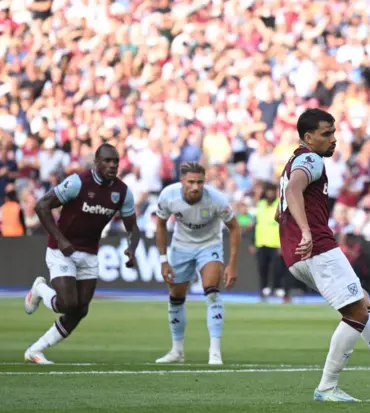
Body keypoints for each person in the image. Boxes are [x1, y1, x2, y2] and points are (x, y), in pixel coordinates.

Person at [277, 108, 370, 402]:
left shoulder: (295, 160)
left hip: (299, 253)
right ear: (308, 138)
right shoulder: (310, 159)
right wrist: (305, 231)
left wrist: (296, 231)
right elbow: (293, 190)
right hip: (316, 246)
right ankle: (327, 387)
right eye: (326, 134)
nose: (333, 139)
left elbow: (286, 203)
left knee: (363, 303)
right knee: (357, 312)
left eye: (334, 132)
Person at [23, 143, 140, 364]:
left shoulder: (122, 192)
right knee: (68, 303)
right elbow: (42, 206)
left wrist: (132, 249)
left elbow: (132, 228)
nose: (112, 165)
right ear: (96, 162)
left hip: (89, 253)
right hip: (61, 249)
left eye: (115, 161)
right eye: (107, 161)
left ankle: (35, 350)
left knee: (80, 309)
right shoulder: (77, 183)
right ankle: (39, 289)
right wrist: (60, 239)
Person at [154, 162, 240, 365]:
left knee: (212, 291)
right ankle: (177, 350)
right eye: (191, 182)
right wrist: (163, 259)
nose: (196, 186)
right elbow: (160, 224)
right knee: (176, 296)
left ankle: (215, 351)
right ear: (182, 181)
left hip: (209, 245)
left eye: (200, 182)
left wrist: (232, 263)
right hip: (181, 246)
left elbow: (234, 228)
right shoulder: (168, 196)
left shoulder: (216, 199)